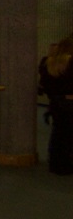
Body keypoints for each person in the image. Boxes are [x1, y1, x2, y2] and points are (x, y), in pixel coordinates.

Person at [39, 37, 73, 175]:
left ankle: (55, 163)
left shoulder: (49, 63)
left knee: (58, 133)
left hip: (56, 102)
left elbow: (45, 85)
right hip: (70, 102)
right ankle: (67, 163)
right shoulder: (71, 63)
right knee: (69, 135)